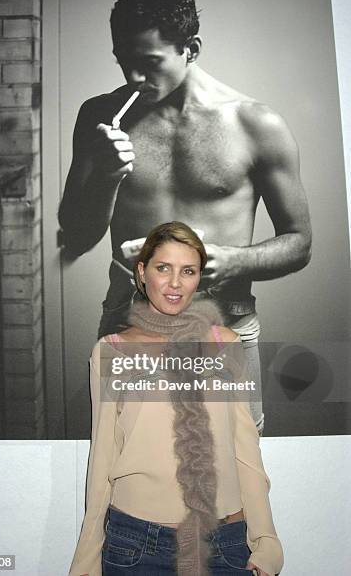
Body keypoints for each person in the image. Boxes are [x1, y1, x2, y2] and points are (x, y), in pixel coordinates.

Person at [58, 0, 312, 434]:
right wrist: (108, 177)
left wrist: (232, 261)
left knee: (231, 473)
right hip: (130, 318)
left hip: (223, 323)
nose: (134, 78)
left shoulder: (255, 123)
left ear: (190, 49)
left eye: (149, 63)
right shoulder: (99, 117)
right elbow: (77, 236)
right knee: (123, 470)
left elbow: (299, 242)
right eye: (124, 62)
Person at [68, 222, 284, 576]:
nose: (174, 283)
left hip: (224, 544)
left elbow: (245, 451)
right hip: (136, 546)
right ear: (142, 271)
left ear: (199, 278)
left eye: (188, 271)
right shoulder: (112, 351)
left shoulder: (225, 344)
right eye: (162, 268)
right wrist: (87, 560)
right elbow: (103, 458)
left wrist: (266, 538)